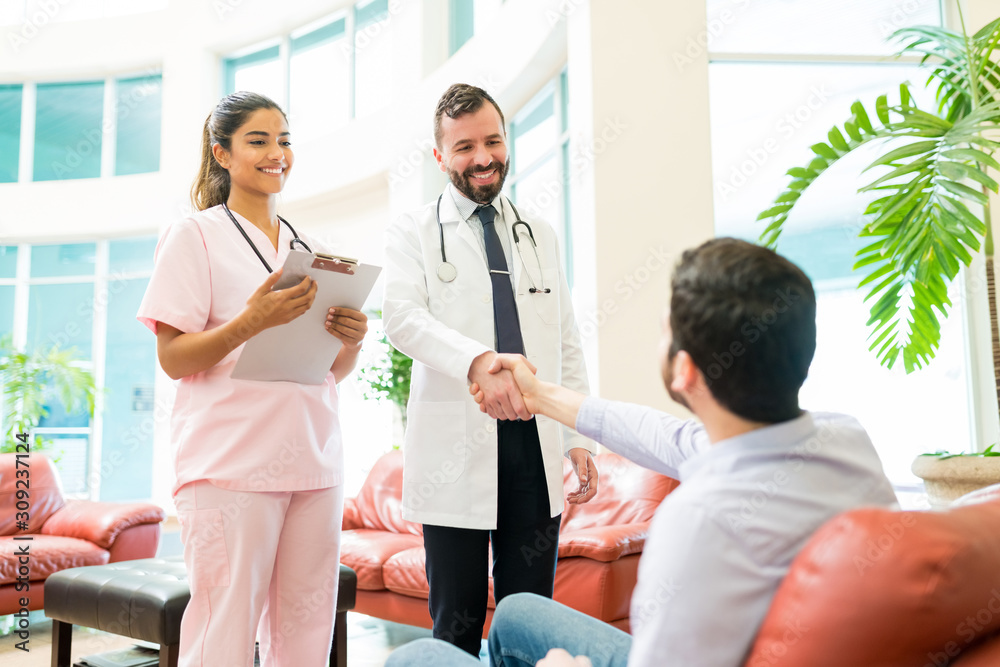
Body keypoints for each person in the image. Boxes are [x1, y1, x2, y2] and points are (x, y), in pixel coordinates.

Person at [386, 237, 898, 667]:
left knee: (415, 659)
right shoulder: (844, 440)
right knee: (519, 611)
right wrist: (539, 396)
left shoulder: (698, 521)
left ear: (685, 371)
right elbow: (662, 435)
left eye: (664, 330)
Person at [137, 91, 367, 667]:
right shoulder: (195, 235)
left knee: (306, 628)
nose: (277, 153)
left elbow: (330, 371)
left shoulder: (308, 250)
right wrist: (250, 322)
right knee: (226, 629)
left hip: (313, 461)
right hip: (230, 465)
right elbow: (173, 357)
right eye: (259, 141)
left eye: (284, 140)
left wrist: (350, 338)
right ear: (222, 153)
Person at [382, 83, 598, 656]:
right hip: (456, 449)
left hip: (534, 442)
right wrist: (478, 361)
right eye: (464, 147)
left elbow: (565, 337)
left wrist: (577, 435)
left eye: (493, 141)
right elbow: (400, 318)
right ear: (439, 157)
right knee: (455, 621)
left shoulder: (539, 231)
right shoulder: (414, 232)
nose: (483, 158)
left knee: (532, 619)